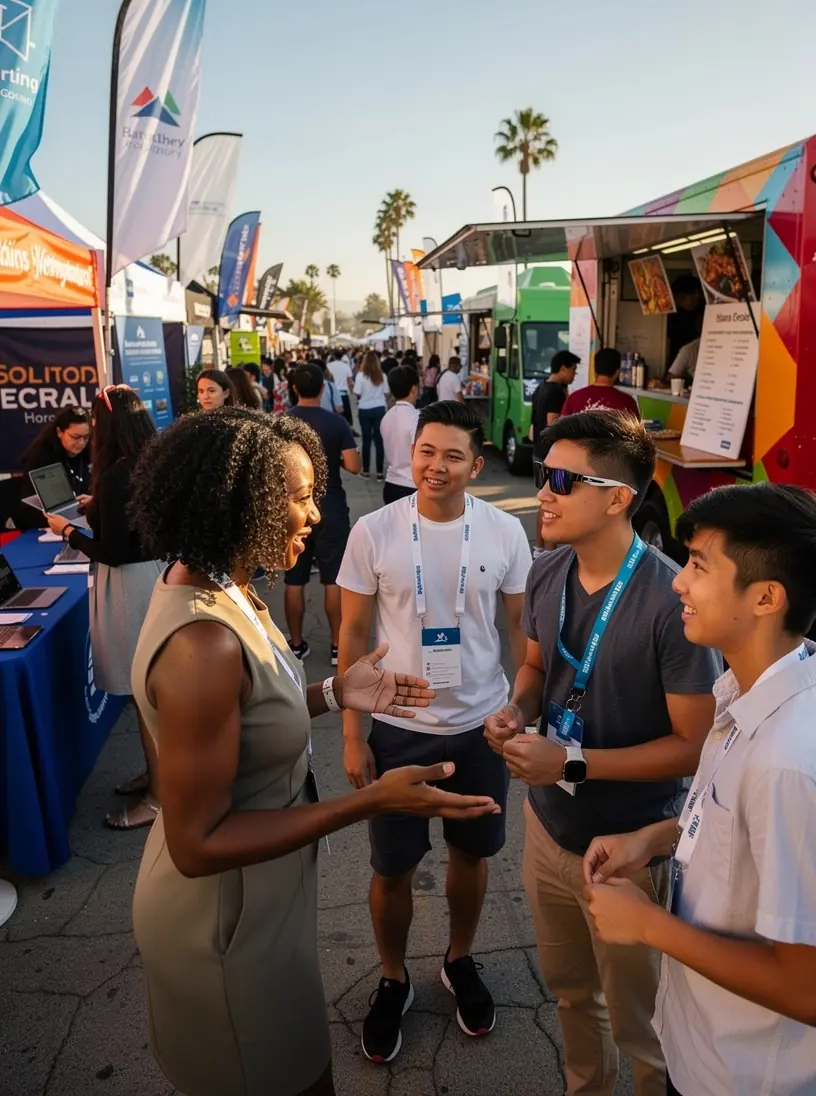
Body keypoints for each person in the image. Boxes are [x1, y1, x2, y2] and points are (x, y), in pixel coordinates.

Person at [127, 406, 500, 1096]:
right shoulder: (204, 640)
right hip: (224, 923)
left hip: (262, 896)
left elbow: (245, 718)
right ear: (240, 503)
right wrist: (370, 801)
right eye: (298, 498)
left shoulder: (223, 585)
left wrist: (333, 693)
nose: (315, 515)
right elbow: (197, 843)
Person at [484, 410, 719, 1096]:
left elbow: (694, 749)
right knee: (569, 996)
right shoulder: (546, 569)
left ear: (618, 498)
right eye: (541, 474)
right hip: (548, 832)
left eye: (561, 479)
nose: (544, 492)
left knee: (642, 1025)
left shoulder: (671, 599)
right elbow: (534, 671)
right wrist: (514, 711)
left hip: (628, 851)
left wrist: (573, 764)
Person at [583, 483, 816, 1096]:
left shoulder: (788, 758)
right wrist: (655, 838)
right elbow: (736, 826)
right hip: (700, 1043)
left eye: (698, 566)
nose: (678, 583)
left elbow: (805, 987)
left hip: (744, 1075)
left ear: (766, 597)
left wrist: (648, 926)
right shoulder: (746, 691)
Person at [338, 399, 531, 1064]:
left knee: (472, 855)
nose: (435, 466)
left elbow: (520, 634)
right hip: (397, 728)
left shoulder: (507, 533)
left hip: (480, 727)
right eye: (426, 451)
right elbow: (353, 636)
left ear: (478, 465)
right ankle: (392, 978)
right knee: (392, 867)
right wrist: (352, 732)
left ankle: (460, 959)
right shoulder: (374, 530)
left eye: (452, 455)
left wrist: (519, 712)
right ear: (411, 453)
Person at [45, 386, 163, 830]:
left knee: (143, 693)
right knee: (148, 691)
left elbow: (112, 551)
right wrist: (98, 507)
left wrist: (67, 531)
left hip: (130, 588)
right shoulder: (151, 461)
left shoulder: (117, 475)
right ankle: (158, 777)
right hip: (153, 578)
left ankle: (159, 797)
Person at [284, 364, 360, 665]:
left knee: (294, 579)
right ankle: (337, 646)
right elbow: (353, 465)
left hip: (293, 509)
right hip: (331, 506)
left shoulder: (283, 422)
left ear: (294, 389)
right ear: (323, 389)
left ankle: (296, 644)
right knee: (333, 579)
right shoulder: (337, 423)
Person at [530, 350, 580, 557]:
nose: (574, 375)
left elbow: (533, 426)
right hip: (551, 454)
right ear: (563, 368)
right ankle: (550, 555)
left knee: (544, 502)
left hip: (538, 451)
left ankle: (539, 548)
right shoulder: (556, 393)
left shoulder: (540, 388)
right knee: (552, 504)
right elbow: (553, 422)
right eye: (573, 370)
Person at [16, 407, 92, 531]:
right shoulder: (39, 458)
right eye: (75, 437)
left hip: (79, 520)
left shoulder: (89, 452)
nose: (82, 443)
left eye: (87, 437)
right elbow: (28, 511)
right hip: (44, 525)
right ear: (59, 432)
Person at [561, 348, 640, 417]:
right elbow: (637, 432)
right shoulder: (627, 402)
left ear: (595, 371)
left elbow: (560, 430)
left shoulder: (573, 398)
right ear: (617, 372)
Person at [380, 366, 420, 504]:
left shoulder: (387, 417)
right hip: (412, 486)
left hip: (391, 484)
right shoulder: (417, 418)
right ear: (414, 389)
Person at [354, 350, 388, 480]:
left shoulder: (360, 376)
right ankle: (380, 472)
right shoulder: (382, 376)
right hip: (379, 408)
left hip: (365, 409)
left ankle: (366, 470)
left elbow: (357, 392)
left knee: (366, 441)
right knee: (379, 441)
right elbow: (386, 392)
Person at [667, 274, 704, 366]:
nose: (697, 298)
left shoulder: (697, 313)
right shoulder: (668, 318)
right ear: (681, 296)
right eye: (695, 295)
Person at [327, 348, 354, 424]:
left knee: (333, 414)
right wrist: (351, 390)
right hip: (343, 393)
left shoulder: (328, 366)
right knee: (346, 415)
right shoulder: (346, 366)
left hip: (331, 393)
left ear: (333, 356)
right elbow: (350, 380)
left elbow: (326, 379)